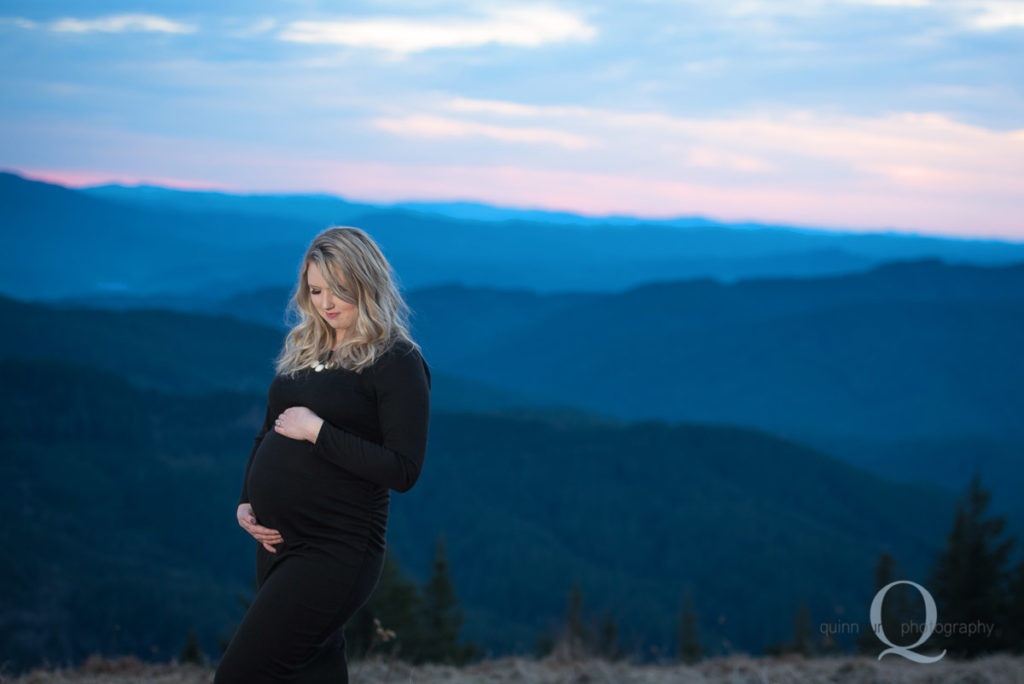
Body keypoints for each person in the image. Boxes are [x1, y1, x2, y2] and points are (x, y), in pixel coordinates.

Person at [215, 226, 431, 683]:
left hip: (336, 548)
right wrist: (245, 499)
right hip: (278, 544)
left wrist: (318, 432)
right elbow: (268, 430)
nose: (326, 303)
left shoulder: (396, 360)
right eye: (315, 290)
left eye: (341, 291)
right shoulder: (307, 347)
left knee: (241, 675)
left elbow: (403, 469)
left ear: (368, 285)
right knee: (310, 672)